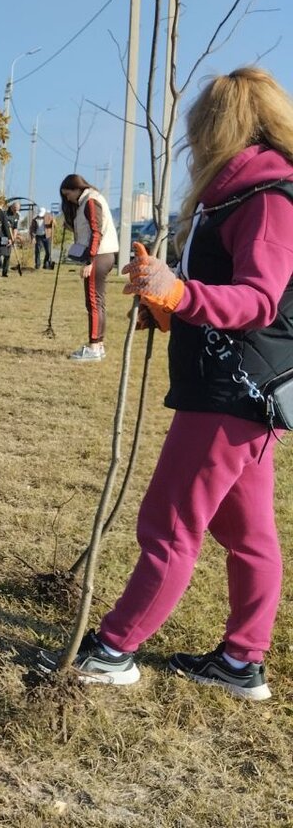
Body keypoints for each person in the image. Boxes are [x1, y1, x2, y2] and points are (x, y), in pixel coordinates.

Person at [43, 66, 293, 701]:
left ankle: (115, 648)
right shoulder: (235, 196)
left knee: (168, 524)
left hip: (231, 390)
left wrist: (180, 290)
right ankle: (242, 661)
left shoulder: (267, 198)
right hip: (240, 389)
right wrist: (166, 299)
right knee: (247, 533)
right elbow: (213, 293)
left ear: (219, 127)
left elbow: (258, 300)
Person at [61, 173, 119, 361]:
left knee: (93, 302)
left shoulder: (91, 202)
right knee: (98, 302)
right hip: (104, 254)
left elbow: (96, 232)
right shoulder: (90, 201)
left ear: (76, 188)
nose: (67, 198)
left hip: (99, 255)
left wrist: (90, 261)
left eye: (67, 194)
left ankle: (93, 347)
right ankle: (98, 345)